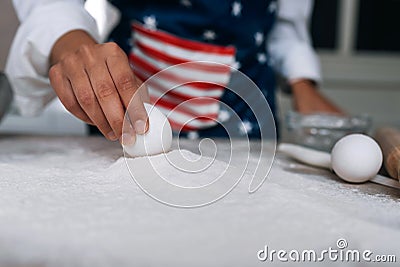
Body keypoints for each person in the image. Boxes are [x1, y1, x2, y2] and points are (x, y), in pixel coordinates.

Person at [5, 0, 342, 144]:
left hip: (247, 115)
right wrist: (68, 40)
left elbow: (283, 23)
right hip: (127, 104)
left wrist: (303, 83)